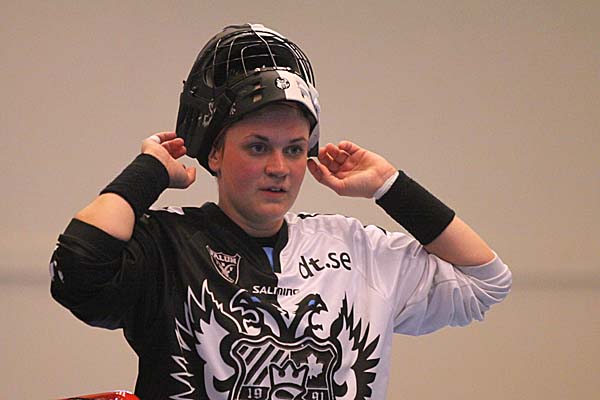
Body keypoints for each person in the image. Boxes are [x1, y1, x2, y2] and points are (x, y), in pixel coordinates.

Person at [50, 24, 512, 400]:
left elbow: (485, 281)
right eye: (257, 147)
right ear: (214, 153)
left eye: (294, 149)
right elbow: (77, 272)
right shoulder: (166, 245)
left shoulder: (354, 249)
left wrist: (391, 186)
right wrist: (148, 172)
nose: (279, 168)